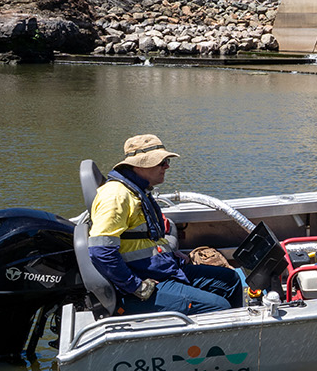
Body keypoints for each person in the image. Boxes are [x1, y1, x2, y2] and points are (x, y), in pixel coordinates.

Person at [88, 134, 244, 315]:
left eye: (166, 161)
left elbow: (140, 239)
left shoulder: (136, 190)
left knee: (230, 280)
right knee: (219, 307)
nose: (167, 166)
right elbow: (101, 252)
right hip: (141, 286)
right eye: (161, 162)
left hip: (162, 271)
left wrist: (171, 254)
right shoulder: (116, 196)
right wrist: (136, 286)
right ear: (140, 165)